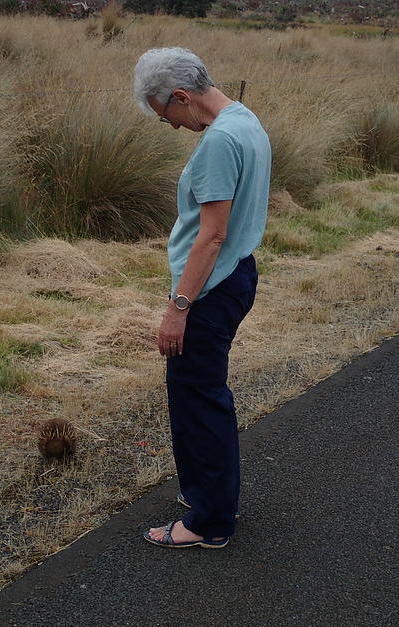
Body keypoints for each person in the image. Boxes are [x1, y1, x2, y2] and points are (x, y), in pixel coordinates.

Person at [133, 47, 271, 549]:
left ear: (181, 96)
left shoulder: (218, 141)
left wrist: (178, 308)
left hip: (210, 288)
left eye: (164, 113)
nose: (167, 124)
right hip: (237, 274)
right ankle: (208, 494)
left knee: (199, 399)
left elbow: (211, 235)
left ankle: (210, 523)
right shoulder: (245, 120)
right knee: (198, 394)